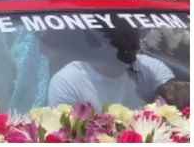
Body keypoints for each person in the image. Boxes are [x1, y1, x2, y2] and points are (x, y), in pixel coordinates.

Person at [48, 14, 178, 111]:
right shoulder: (68, 82)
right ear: (99, 40)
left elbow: (175, 101)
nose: (131, 40)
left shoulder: (152, 69)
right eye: (121, 35)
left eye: (133, 30)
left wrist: (176, 93)